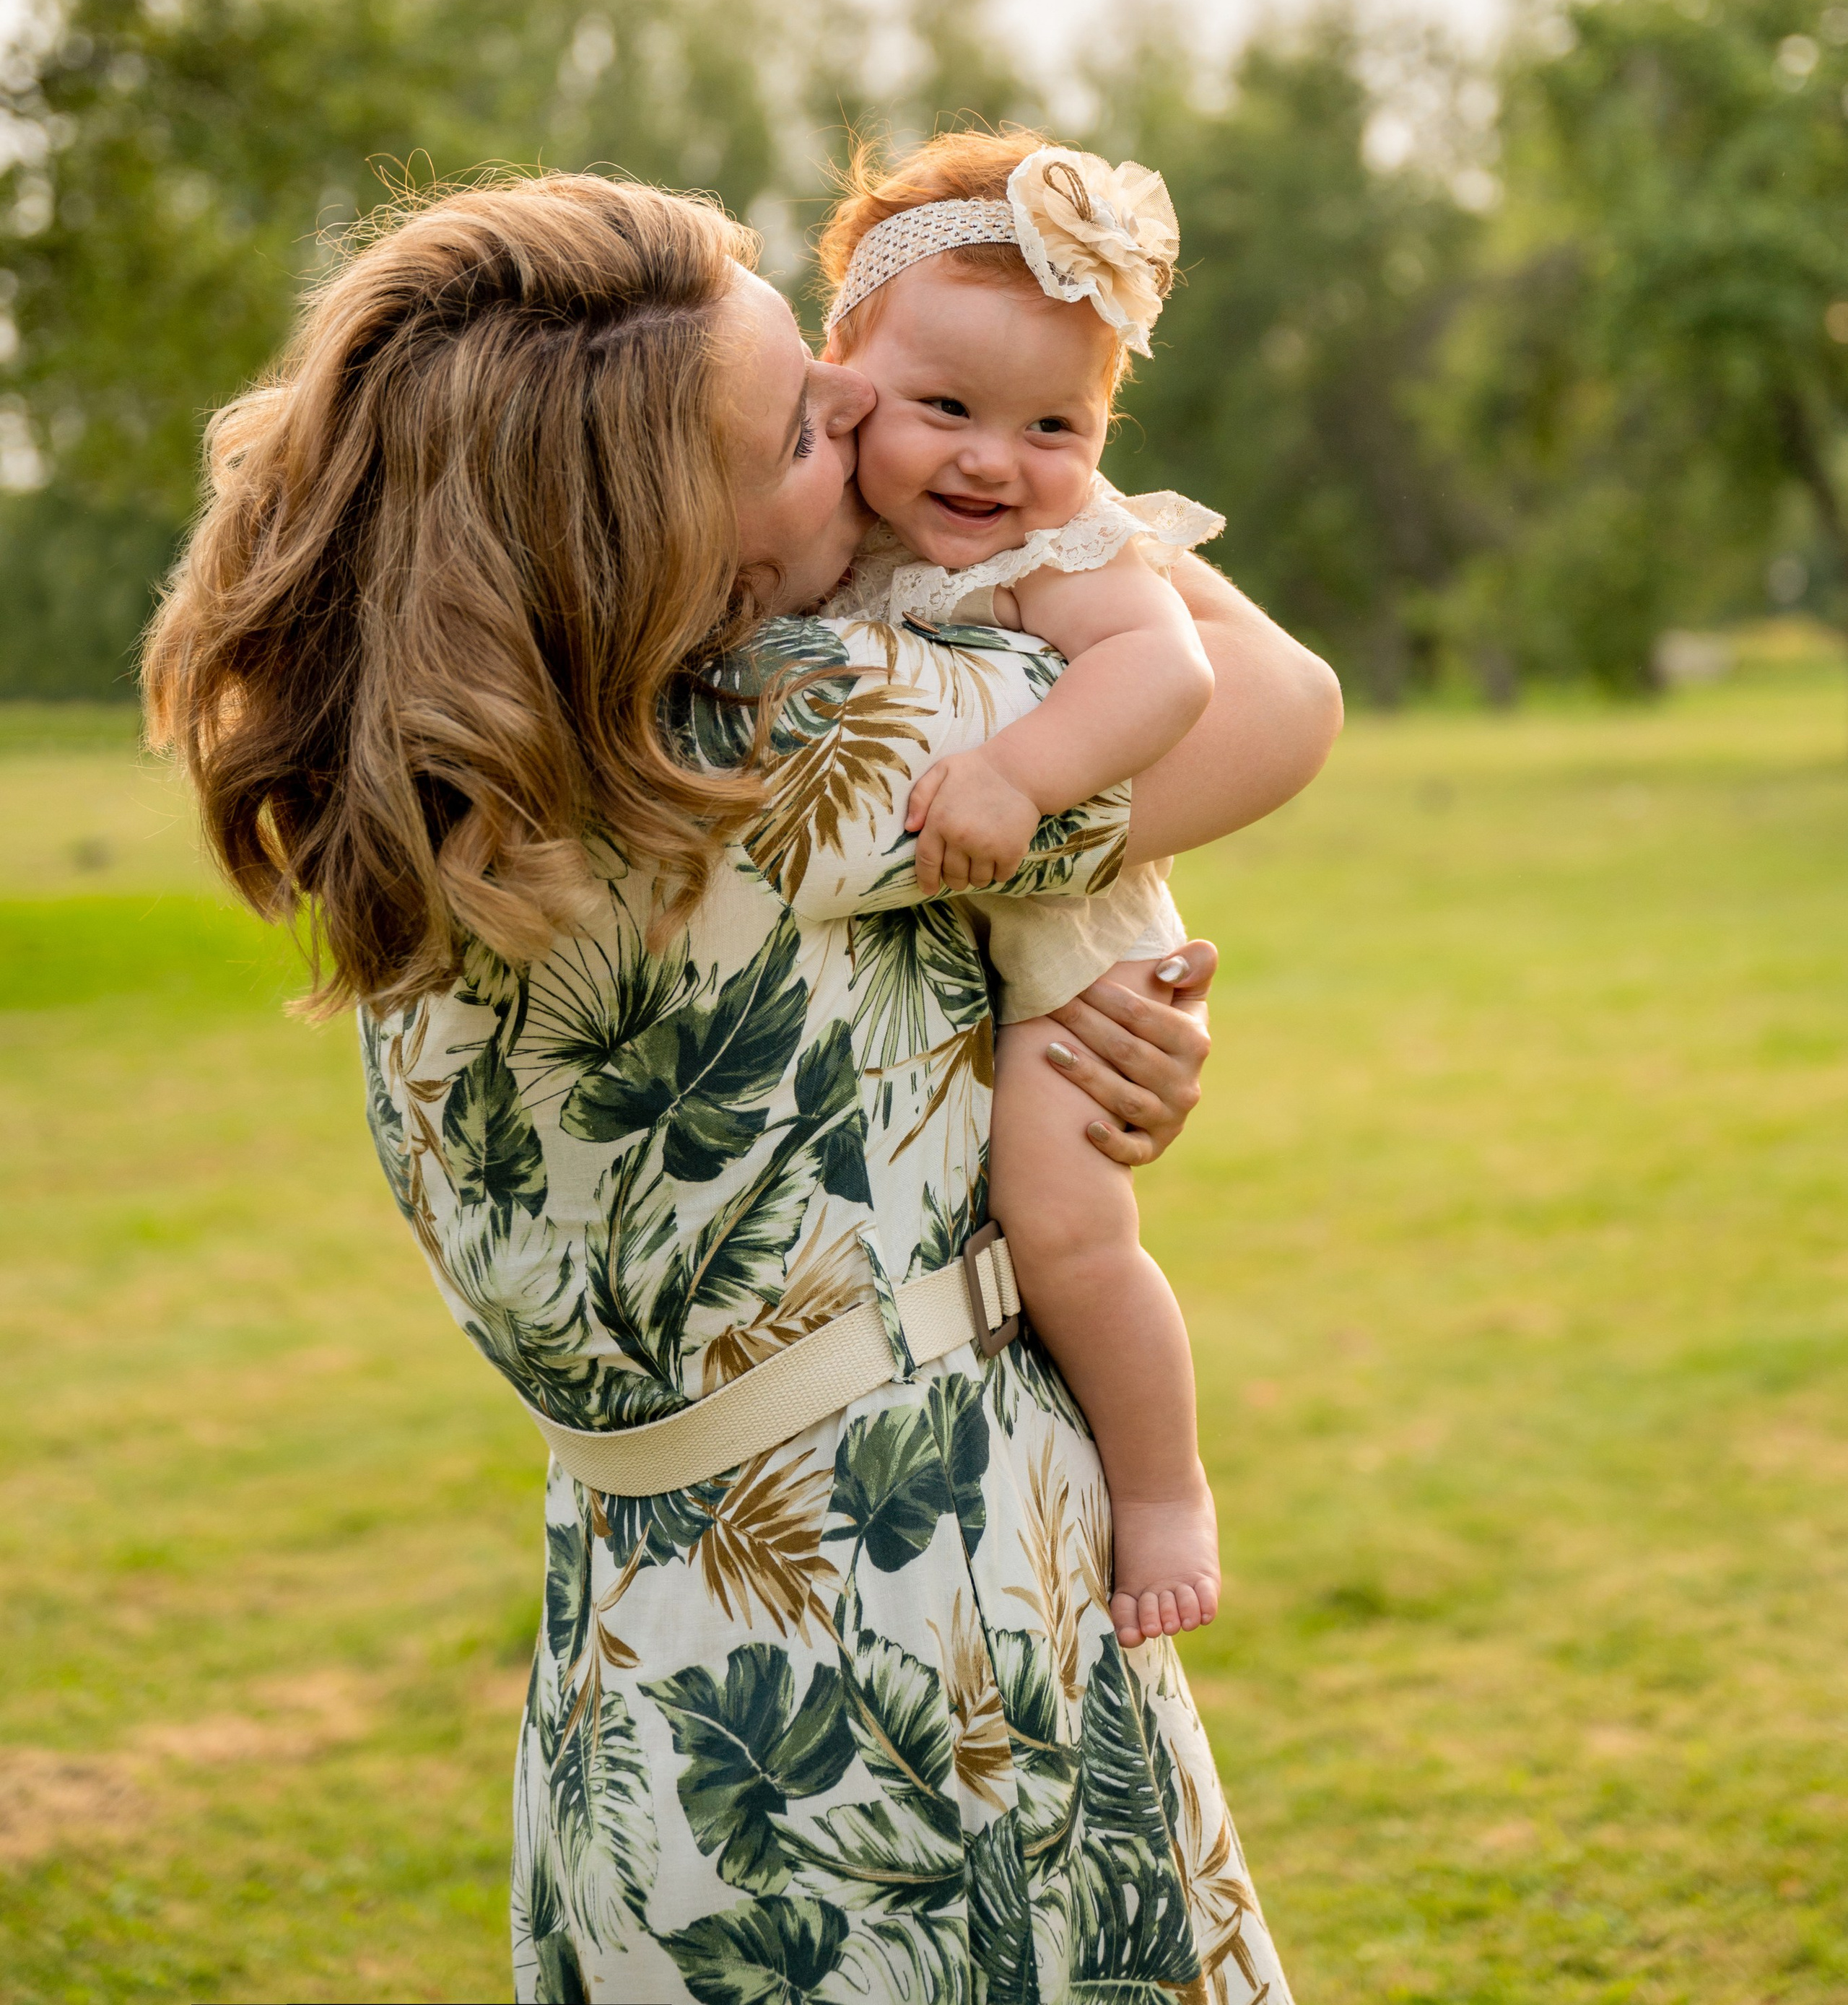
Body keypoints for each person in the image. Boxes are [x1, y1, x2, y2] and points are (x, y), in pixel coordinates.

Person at [144, 170, 1341, 2005]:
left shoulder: (420, 764)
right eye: (804, 420)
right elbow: (1271, 698)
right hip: (909, 1609)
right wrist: (1055, 462)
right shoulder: (786, 734)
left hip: (645, 1642)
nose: (861, 419)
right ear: (656, 546)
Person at [817, 130, 1232, 1652]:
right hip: (929, 959)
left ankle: (1165, 1485)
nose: (994, 460)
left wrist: (1019, 774)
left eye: (1053, 421)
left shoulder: (1057, 545)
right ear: (839, 367)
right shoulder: (823, 522)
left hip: (1067, 941)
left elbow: (1168, 667)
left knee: (1058, 1221)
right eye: (946, 408)